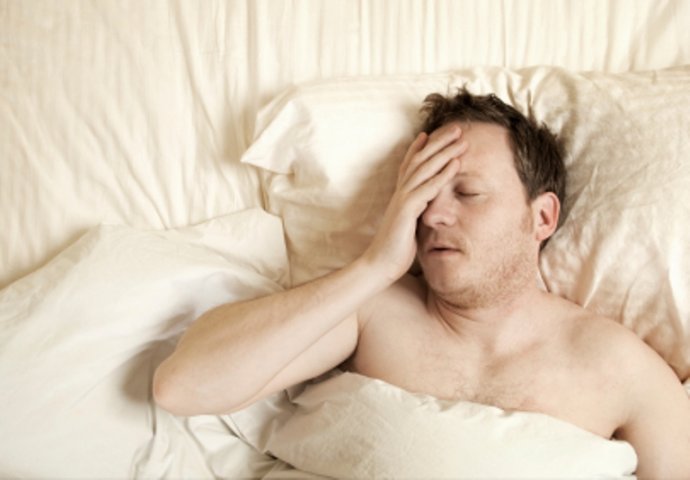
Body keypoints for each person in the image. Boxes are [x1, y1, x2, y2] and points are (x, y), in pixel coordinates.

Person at [153, 89, 690, 478]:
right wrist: (374, 267)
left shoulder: (617, 366)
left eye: (467, 193)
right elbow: (182, 386)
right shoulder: (370, 312)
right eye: (423, 195)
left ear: (542, 217)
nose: (433, 215)